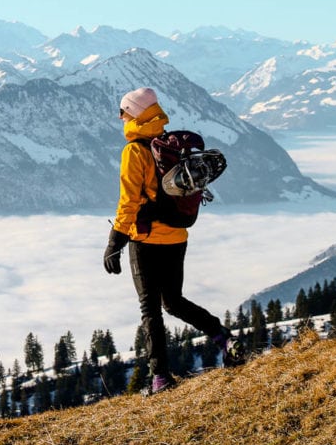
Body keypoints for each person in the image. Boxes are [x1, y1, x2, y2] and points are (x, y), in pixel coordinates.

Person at [103, 86, 243, 393]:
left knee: (151, 309)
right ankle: (222, 337)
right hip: (177, 237)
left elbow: (129, 202)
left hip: (146, 240)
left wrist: (115, 243)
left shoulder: (135, 151)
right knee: (174, 302)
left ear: (135, 114)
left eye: (123, 110)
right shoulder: (168, 146)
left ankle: (161, 379)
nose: (120, 116)